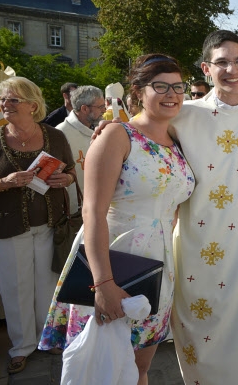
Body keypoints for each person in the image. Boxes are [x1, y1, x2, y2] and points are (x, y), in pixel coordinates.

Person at [39, 54, 195, 385]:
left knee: (138, 368)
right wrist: (103, 283)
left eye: (178, 86)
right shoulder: (116, 136)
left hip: (158, 267)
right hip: (113, 261)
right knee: (101, 368)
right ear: (137, 92)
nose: (172, 94)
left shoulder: (179, 142)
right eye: (161, 86)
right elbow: (92, 212)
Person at [168, 30, 238, 384]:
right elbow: (140, 138)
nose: (231, 69)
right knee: (202, 341)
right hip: (198, 246)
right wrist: (111, 131)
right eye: (221, 62)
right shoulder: (182, 117)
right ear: (206, 68)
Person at [0, 76, 75, 375]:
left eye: (13, 99)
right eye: (3, 99)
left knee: (47, 284)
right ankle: (21, 347)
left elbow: (69, 172)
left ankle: (49, 339)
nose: (5, 104)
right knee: (15, 288)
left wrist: (65, 179)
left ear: (32, 105)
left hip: (49, 224)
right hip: (8, 226)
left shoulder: (54, 136)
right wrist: (2, 183)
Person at [55, 85, 105, 212]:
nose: (104, 110)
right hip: (75, 210)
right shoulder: (61, 134)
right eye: (100, 107)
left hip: (100, 203)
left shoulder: (99, 129)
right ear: (84, 108)